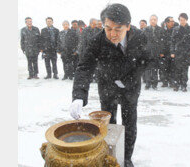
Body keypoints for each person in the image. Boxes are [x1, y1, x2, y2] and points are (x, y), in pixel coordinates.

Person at [69, 3, 152, 166]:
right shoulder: (97, 41)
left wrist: (129, 80)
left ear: (128, 26)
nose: (112, 34)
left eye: (118, 29)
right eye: (108, 28)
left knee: (129, 122)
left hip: (130, 87)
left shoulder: (140, 37)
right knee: (108, 122)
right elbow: (84, 67)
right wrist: (78, 96)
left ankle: (126, 157)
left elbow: (146, 60)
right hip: (107, 86)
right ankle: (111, 155)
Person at [170, 13, 190, 92]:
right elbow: (172, 41)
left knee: (185, 70)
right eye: (181, 20)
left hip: (187, 53)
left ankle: (184, 85)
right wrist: (172, 51)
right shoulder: (176, 29)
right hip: (178, 52)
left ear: (186, 20)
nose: (182, 21)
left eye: (184, 20)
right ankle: (176, 85)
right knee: (177, 70)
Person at [143, 14, 165, 90]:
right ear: (149, 20)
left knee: (155, 69)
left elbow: (162, 42)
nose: (153, 21)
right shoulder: (145, 29)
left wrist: (161, 51)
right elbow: (143, 41)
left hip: (157, 52)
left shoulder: (160, 29)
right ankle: (148, 83)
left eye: (155, 19)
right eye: (152, 19)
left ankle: (154, 84)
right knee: (147, 69)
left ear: (157, 20)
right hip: (148, 52)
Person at [161, 16, 177, 87]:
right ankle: (165, 82)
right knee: (164, 68)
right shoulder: (162, 31)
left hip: (173, 52)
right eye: (171, 21)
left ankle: (172, 82)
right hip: (165, 52)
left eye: (173, 21)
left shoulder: (176, 30)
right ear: (167, 23)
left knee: (173, 68)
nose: (173, 23)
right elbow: (160, 42)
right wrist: (161, 52)